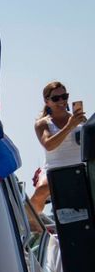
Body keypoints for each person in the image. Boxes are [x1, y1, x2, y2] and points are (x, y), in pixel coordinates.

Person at [30, 81, 86, 218]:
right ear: (47, 101)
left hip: (81, 167)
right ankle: (33, 223)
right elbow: (49, 145)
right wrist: (70, 126)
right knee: (41, 190)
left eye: (64, 96)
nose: (61, 101)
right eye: (56, 98)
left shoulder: (82, 121)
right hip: (55, 168)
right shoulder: (42, 123)